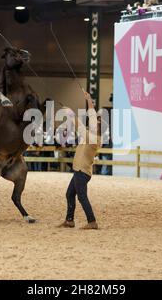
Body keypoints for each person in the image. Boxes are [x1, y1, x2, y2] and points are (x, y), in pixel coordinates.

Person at [59, 91, 100, 230]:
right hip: (79, 171)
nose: (94, 123)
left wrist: (70, 114)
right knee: (70, 194)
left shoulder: (93, 139)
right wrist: (88, 99)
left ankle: (92, 221)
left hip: (82, 172)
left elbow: (80, 127)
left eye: (96, 124)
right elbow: (92, 114)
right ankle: (69, 220)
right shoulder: (92, 134)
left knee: (81, 197)